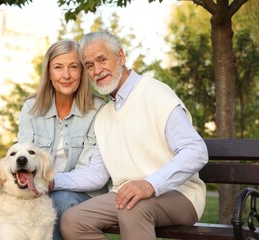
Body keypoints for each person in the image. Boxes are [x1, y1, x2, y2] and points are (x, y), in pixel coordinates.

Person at [58, 32, 209, 240]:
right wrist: (51, 181)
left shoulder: (156, 93)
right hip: (124, 195)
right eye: (89, 65)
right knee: (73, 221)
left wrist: (150, 184)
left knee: (132, 208)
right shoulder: (103, 116)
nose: (97, 70)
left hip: (180, 194)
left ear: (120, 56)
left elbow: (196, 151)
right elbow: (96, 174)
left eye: (102, 59)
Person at [17, 39, 108, 240]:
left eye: (73, 67)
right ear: (48, 72)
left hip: (83, 197)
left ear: (82, 72)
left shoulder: (98, 110)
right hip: (38, 191)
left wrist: (50, 183)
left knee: (57, 202)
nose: (66, 75)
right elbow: (22, 158)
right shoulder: (31, 109)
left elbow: (94, 176)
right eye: (58, 67)